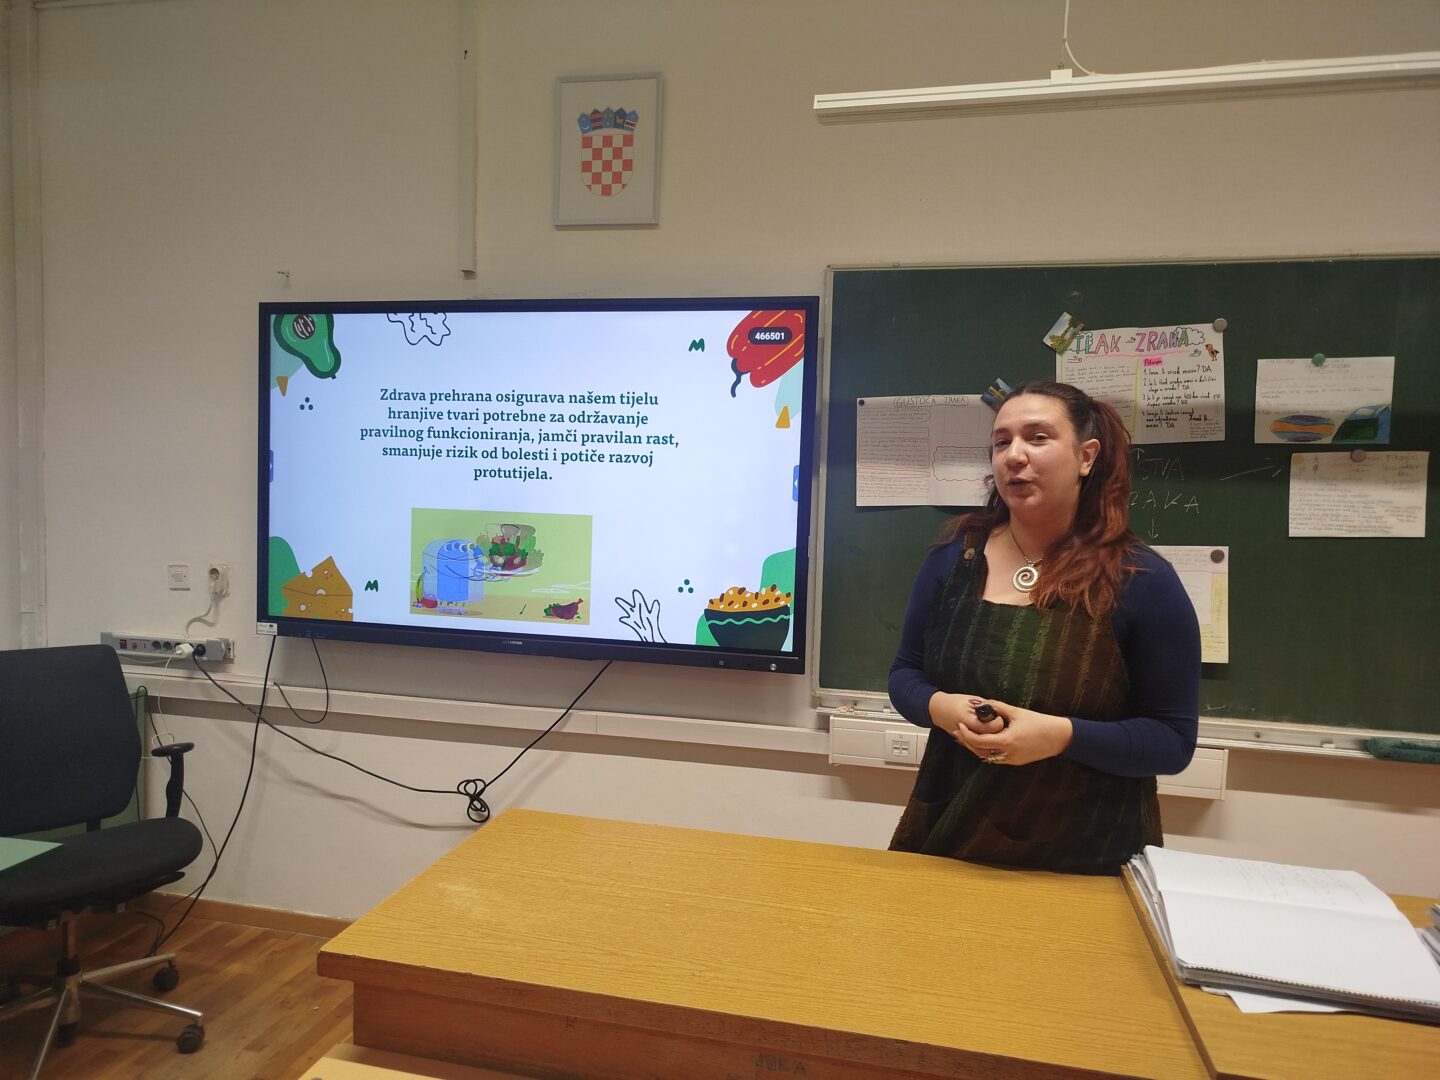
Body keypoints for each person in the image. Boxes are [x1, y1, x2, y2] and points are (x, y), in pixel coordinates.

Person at [887, 379, 1199, 874]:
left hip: (1087, 856)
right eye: (1001, 441)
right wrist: (941, 707)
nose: (1014, 455)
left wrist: (1060, 736)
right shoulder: (952, 559)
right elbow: (905, 674)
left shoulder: (1142, 580)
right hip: (948, 838)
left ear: (1086, 456)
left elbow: (1172, 741)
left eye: (1037, 437)